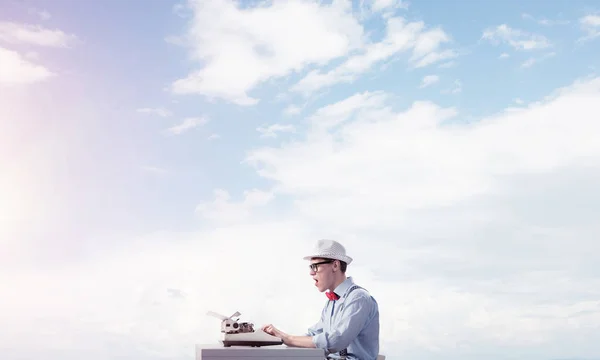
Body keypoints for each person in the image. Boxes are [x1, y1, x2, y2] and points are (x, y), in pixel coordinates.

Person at [262, 239, 380, 360]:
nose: (311, 273)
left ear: (335, 265)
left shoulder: (358, 298)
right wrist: (277, 337)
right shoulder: (332, 302)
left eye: (315, 266)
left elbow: (337, 340)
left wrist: (288, 339)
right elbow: (314, 334)